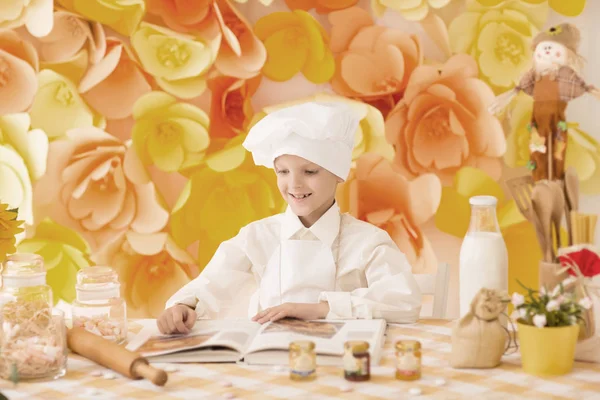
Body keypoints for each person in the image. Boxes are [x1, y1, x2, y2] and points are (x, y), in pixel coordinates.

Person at [157, 102, 422, 334]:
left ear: (339, 173)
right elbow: (211, 283)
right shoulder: (258, 236)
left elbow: (403, 302)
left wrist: (319, 309)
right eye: (283, 171)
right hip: (270, 363)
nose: (294, 184)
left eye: (309, 171)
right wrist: (183, 306)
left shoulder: (368, 242)